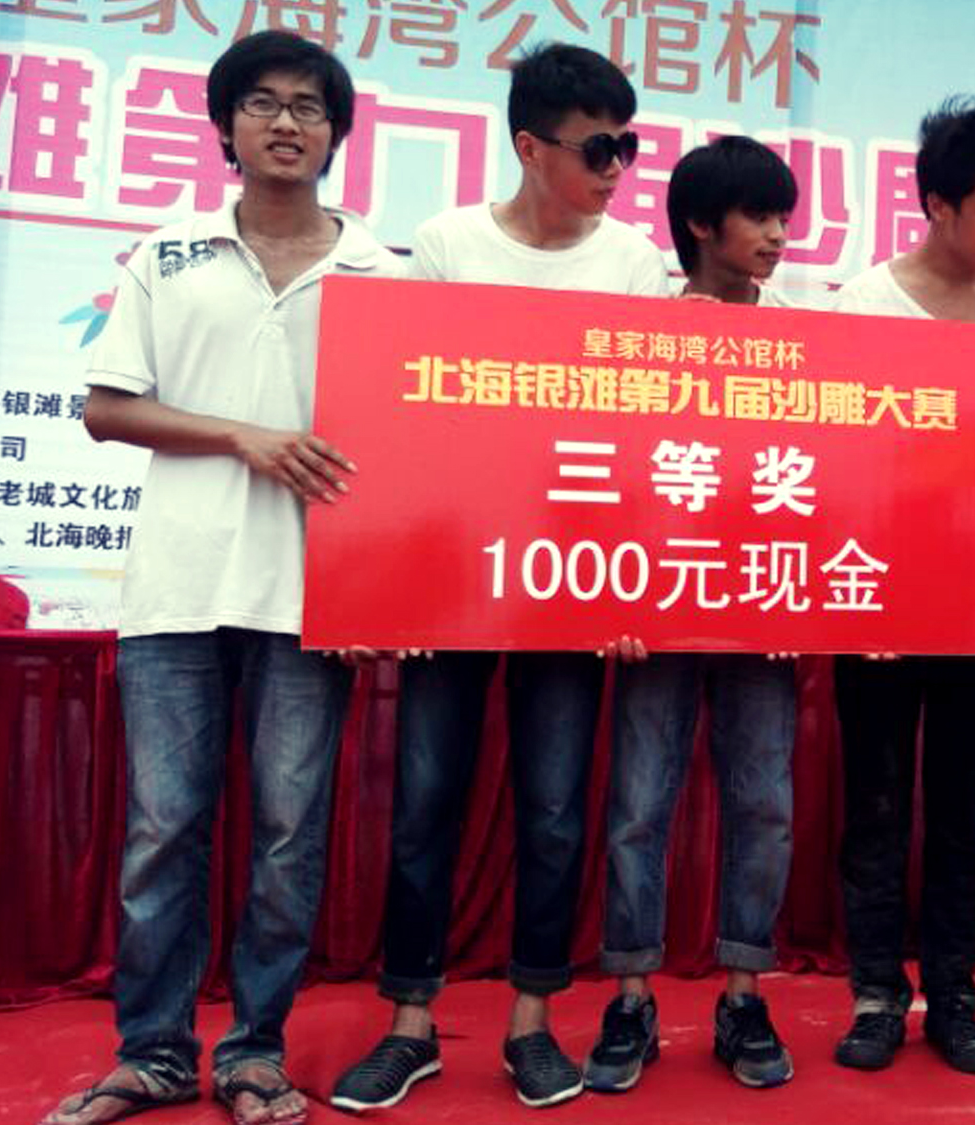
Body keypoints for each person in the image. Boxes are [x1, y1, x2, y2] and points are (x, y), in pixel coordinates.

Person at [43, 30, 399, 1125]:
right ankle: (151, 1052)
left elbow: (407, 448)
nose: (286, 122)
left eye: (309, 106)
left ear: (337, 132)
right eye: (262, 103)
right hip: (178, 586)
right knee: (163, 831)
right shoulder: (167, 254)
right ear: (225, 127)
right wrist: (246, 437)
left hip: (313, 595)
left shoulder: (384, 273)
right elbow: (108, 409)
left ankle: (254, 1054)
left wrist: (383, 591)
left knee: (291, 837)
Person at [330, 43, 664, 1113]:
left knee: (556, 810)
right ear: (529, 145)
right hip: (452, 578)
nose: (617, 169)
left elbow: (643, 438)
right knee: (425, 801)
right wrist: (395, 583)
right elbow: (409, 417)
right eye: (599, 148)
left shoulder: (633, 262)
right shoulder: (446, 244)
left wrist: (627, 591)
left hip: (573, 578)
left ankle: (532, 1022)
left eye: (628, 146)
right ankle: (410, 1025)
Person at [827, 95, 975, 1076]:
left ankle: (956, 997)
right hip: (876, 589)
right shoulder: (863, 304)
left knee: (963, 806)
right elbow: (834, 461)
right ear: (936, 204)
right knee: (875, 802)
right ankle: (876, 995)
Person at [584, 134, 801, 1096]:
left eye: (784, 217)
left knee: (765, 804)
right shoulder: (639, 331)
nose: (777, 235)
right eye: (759, 216)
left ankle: (743, 994)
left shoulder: (810, 338)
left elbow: (831, 484)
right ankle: (630, 998)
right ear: (702, 225)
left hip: (766, 605)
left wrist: (811, 600)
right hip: (657, 607)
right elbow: (603, 475)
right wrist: (614, 595)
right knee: (639, 805)